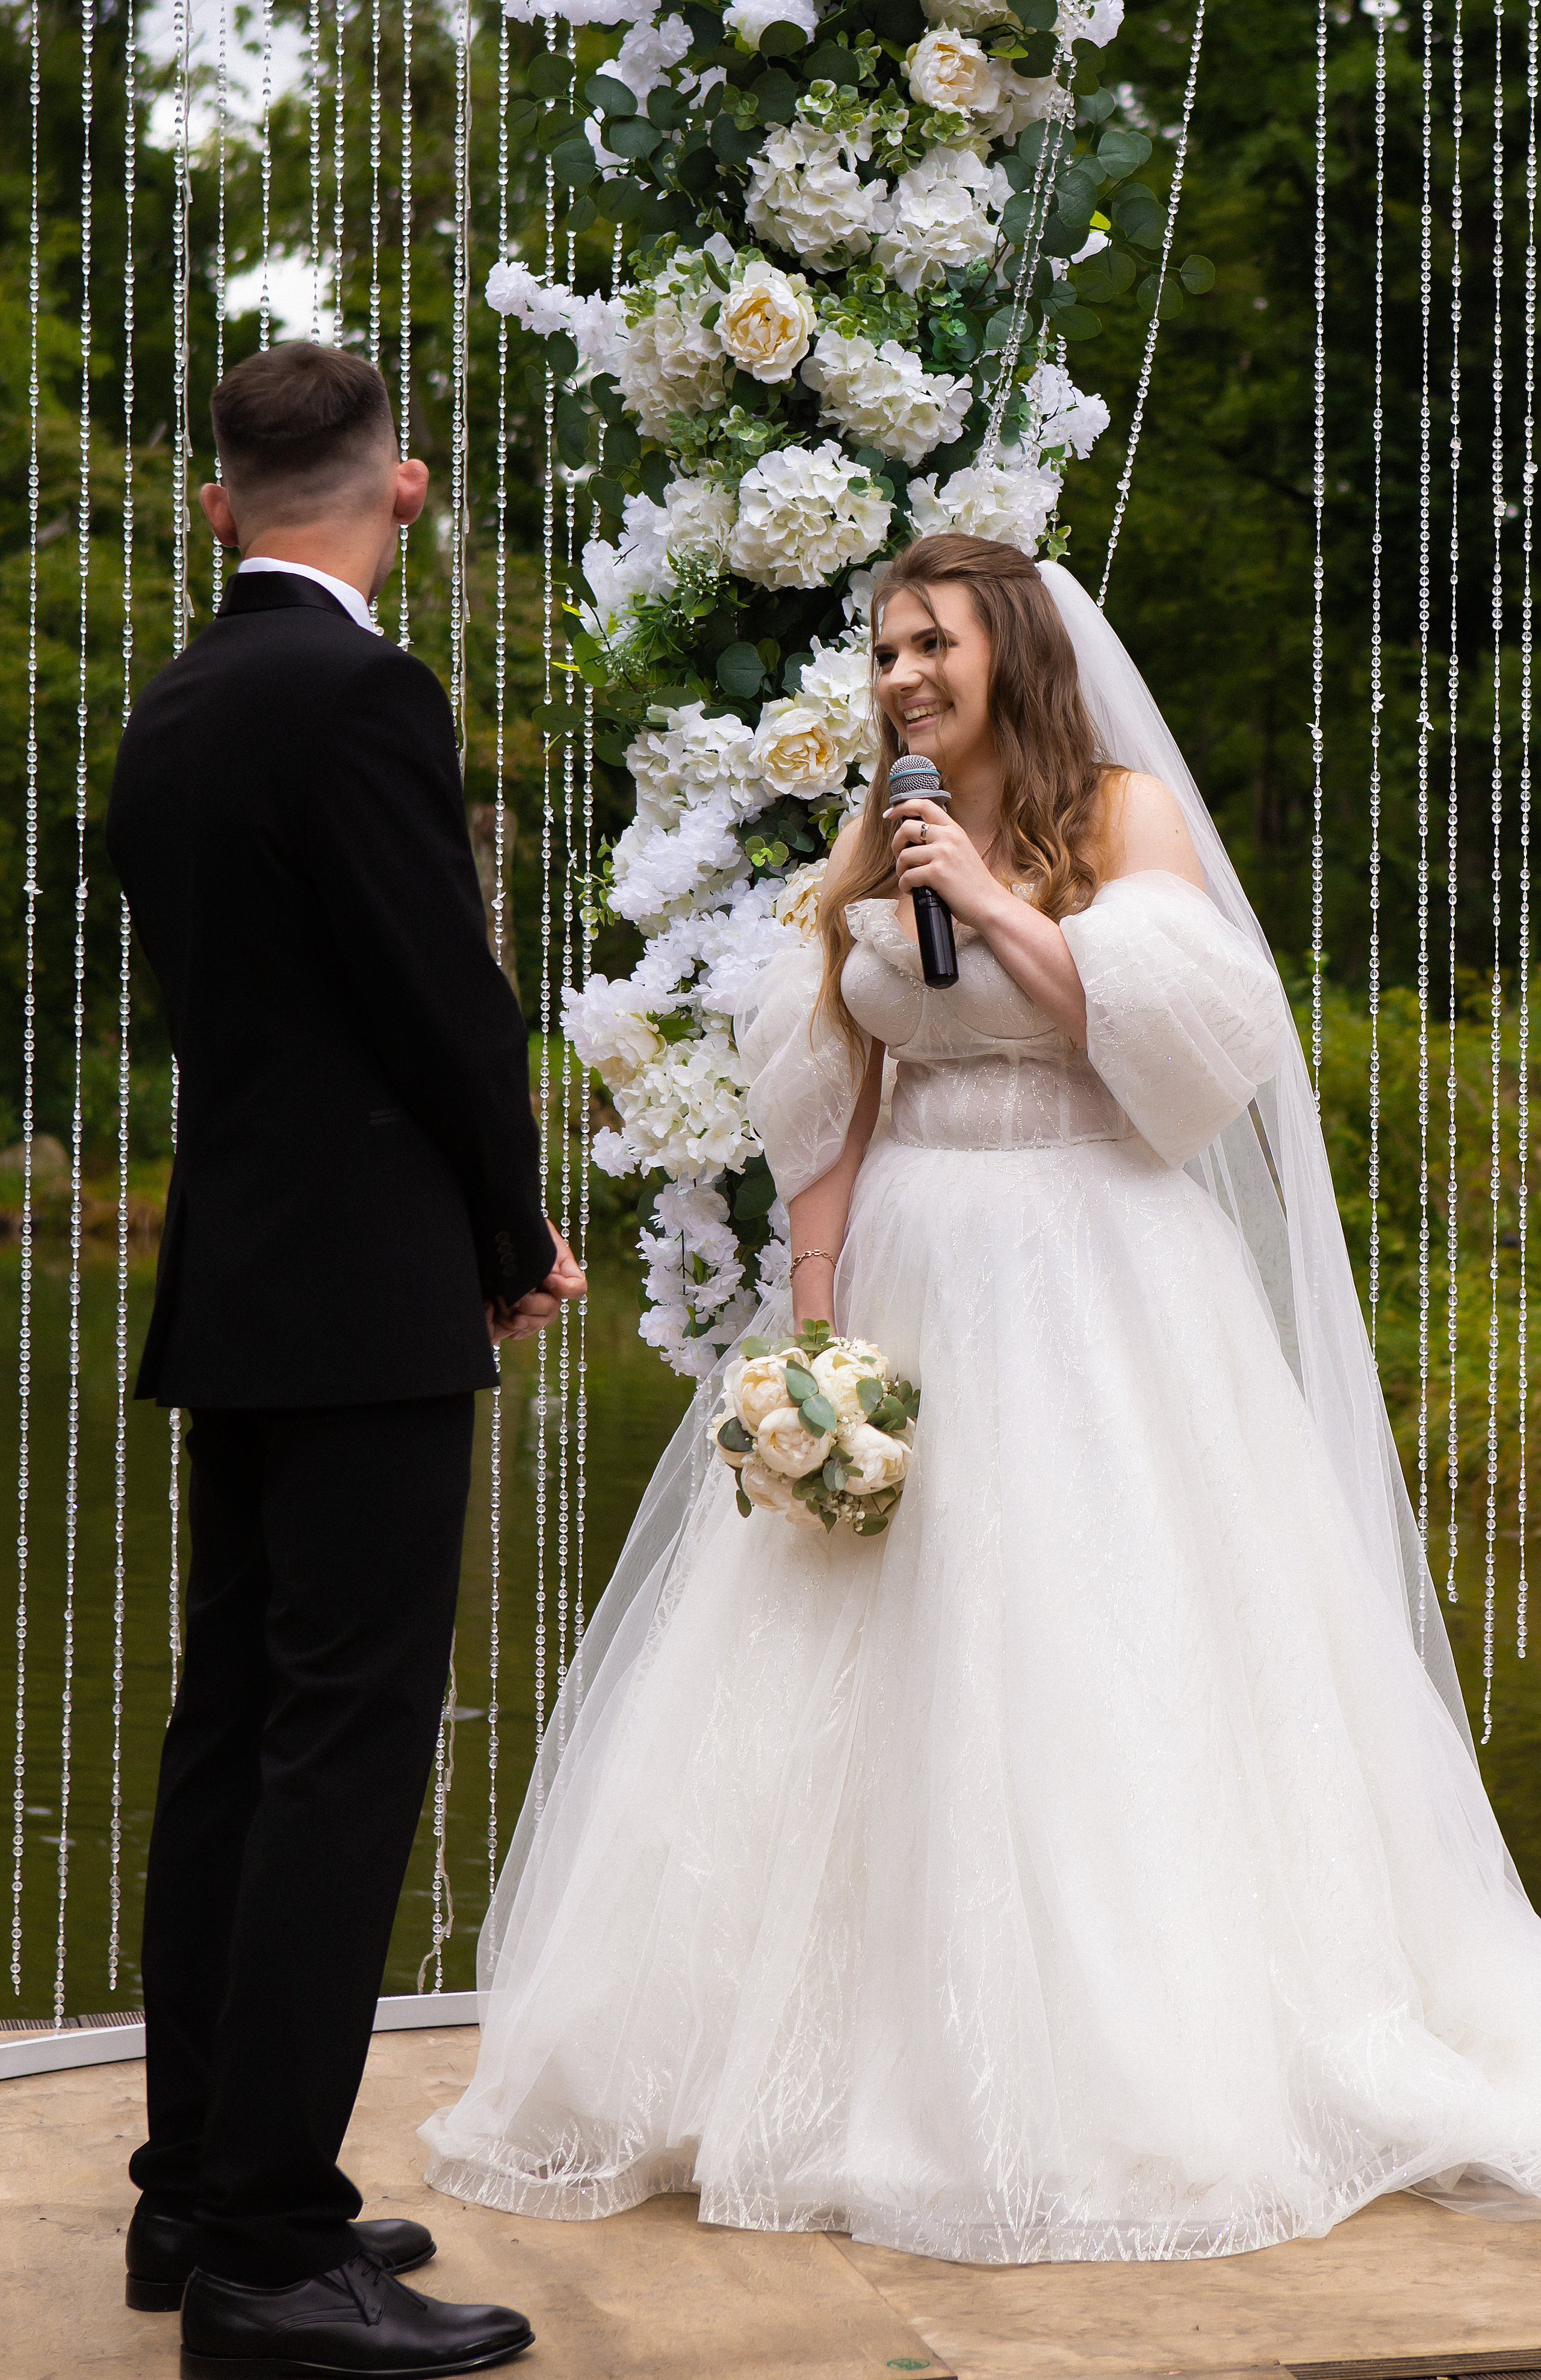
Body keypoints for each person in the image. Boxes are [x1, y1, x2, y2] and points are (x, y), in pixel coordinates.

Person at [421, 532, 1541, 2264]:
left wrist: (1008, 902)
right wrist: (808, 1326)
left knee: (1083, 1638)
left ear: (1007, 649)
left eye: (929, 643)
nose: (900, 676)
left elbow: (1192, 1063)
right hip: (912, 1278)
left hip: (1100, 1266)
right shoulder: (873, 830)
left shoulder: (1118, 818)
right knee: (853, 1647)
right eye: (881, 649)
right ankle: (804, 2046)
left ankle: (1120, 2060)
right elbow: (828, 1079)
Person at [107, 340, 579, 2375]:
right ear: (401, 493)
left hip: (241, 1282)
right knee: (345, 1745)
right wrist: (511, 1219)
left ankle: (197, 2186)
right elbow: (444, 1000)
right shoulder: (365, 691)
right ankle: (276, 2256)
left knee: (234, 1729)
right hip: (372, 1285)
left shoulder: (182, 698)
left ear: (219, 504)